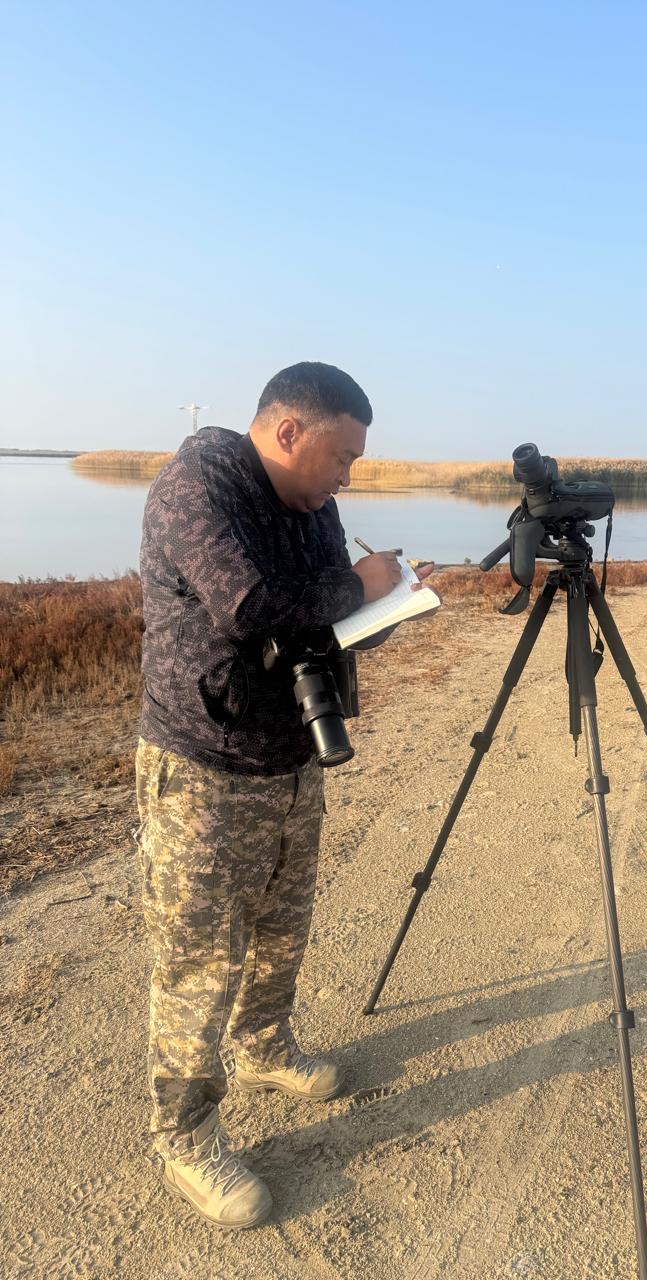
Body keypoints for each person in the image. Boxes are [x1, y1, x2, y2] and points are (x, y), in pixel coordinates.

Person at [135, 361, 434, 1229]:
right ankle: (184, 1137)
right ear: (290, 431)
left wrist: (389, 606)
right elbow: (253, 604)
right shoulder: (199, 483)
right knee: (198, 962)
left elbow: (322, 618)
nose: (348, 477)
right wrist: (362, 584)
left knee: (281, 927)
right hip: (203, 766)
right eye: (342, 457)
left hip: (291, 757)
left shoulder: (314, 505)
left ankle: (264, 1046)